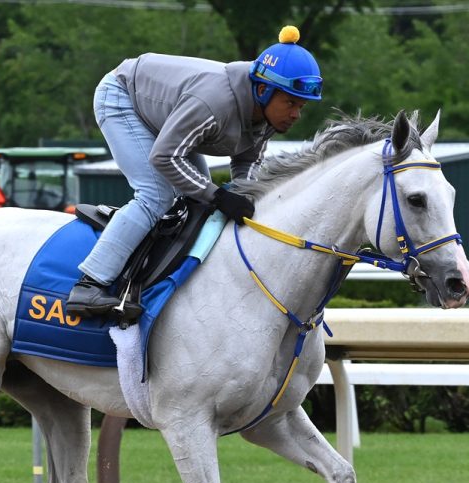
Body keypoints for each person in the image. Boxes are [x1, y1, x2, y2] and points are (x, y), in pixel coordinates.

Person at [65, 25, 323, 317]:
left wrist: (246, 197)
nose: (295, 115)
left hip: (166, 116)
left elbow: (245, 163)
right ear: (263, 90)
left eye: (301, 106)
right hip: (123, 97)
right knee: (156, 194)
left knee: (199, 200)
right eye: (290, 103)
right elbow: (164, 157)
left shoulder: (266, 116)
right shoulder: (214, 104)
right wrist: (219, 196)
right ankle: (89, 285)